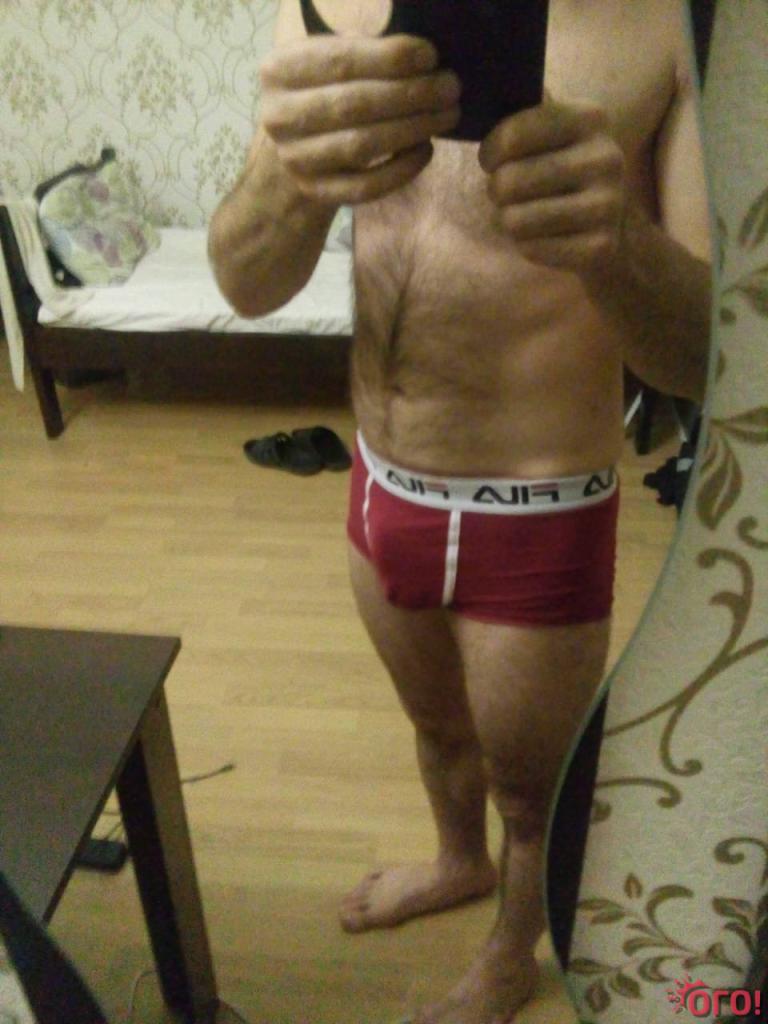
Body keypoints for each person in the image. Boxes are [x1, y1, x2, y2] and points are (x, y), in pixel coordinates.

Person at [208, 2, 712, 1021]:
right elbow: (244, 282)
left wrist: (613, 238)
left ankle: (511, 953)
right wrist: (287, 181)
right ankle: (455, 860)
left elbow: (702, 359)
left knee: (530, 791)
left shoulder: (671, 24)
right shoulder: (333, 3)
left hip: (538, 503)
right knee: (437, 731)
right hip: (381, 476)